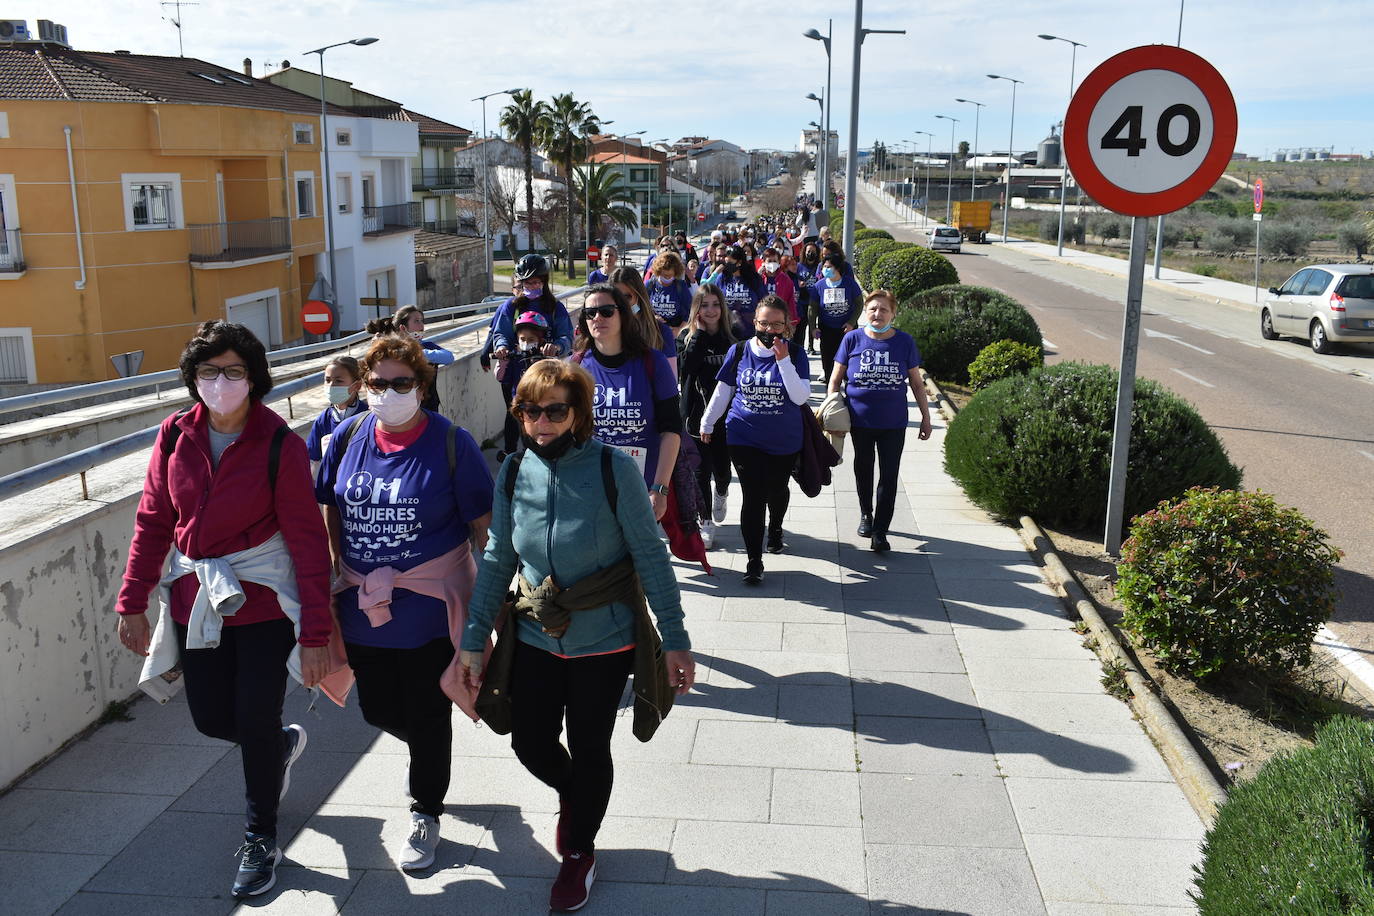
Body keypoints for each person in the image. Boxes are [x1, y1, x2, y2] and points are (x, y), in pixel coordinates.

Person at [457, 359, 695, 913]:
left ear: (578, 413)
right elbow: (496, 559)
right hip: (537, 634)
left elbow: (650, 559)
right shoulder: (514, 472)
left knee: (592, 745)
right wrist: (473, 641)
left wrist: (676, 640)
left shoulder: (614, 469)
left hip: (605, 640)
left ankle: (580, 852)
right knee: (529, 740)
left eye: (555, 410)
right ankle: (576, 795)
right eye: (529, 410)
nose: (541, 422)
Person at [115, 320, 332, 900]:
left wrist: (315, 633)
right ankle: (277, 748)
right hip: (195, 602)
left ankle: (261, 836)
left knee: (254, 715)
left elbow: (309, 540)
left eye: (234, 371)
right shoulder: (172, 435)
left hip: (261, 605)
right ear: (192, 379)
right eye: (209, 371)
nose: (221, 382)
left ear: (254, 378)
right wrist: (132, 601)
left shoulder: (280, 443)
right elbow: (153, 521)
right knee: (211, 717)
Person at [316, 333, 494, 871]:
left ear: (422, 384)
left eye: (402, 383)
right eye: (378, 382)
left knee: (424, 708)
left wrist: (499, 595)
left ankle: (426, 809)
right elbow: (330, 505)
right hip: (362, 609)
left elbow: (484, 527)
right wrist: (332, 568)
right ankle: (430, 741)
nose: (389, 392)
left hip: (430, 611)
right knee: (379, 709)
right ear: (364, 385)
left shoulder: (450, 442)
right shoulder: (347, 437)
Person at [700, 295, 811, 584]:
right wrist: (708, 422)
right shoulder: (738, 352)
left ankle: (775, 527)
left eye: (777, 324)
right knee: (753, 495)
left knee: (776, 489)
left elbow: (800, 396)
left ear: (787, 325)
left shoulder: (796, 354)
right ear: (754, 323)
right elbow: (723, 390)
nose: (769, 330)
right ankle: (754, 560)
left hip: (783, 438)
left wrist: (783, 361)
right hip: (743, 435)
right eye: (764, 323)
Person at [827, 290, 933, 551]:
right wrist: (832, 409)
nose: (878, 314)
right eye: (873, 309)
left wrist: (926, 418)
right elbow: (835, 380)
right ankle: (866, 514)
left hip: (893, 422)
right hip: (860, 421)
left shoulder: (904, 342)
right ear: (865, 310)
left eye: (884, 310)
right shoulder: (852, 340)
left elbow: (917, 385)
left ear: (893, 313)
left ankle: (881, 531)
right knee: (863, 468)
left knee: (889, 474)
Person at [574, 284, 681, 506]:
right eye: (590, 313)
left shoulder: (654, 362)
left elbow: (671, 429)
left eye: (606, 311)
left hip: (642, 487)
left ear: (622, 314)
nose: (597, 318)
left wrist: (660, 489)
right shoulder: (576, 367)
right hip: (590, 486)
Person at [677, 283, 736, 548]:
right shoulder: (685, 338)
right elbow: (686, 369)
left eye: (714, 304)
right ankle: (705, 521)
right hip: (694, 416)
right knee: (700, 471)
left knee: (722, 470)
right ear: (696, 309)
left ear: (721, 307)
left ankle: (722, 490)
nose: (710, 310)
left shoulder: (733, 338)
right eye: (704, 305)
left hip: (725, 417)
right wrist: (698, 335)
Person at [368, 305, 455, 412]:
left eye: (422, 321)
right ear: (403, 328)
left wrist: (414, 353)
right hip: (398, 409)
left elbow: (449, 357)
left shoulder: (427, 346)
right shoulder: (390, 350)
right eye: (417, 321)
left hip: (428, 408)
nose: (421, 325)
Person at [307, 355, 367, 479]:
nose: (331, 386)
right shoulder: (323, 420)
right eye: (327, 380)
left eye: (339, 381)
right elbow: (313, 460)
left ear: (357, 385)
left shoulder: (368, 417)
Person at [610, 267, 678, 375]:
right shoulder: (605, 331)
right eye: (616, 297)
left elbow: (671, 381)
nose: (621, 303)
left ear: (639, 296)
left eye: (627, 297)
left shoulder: (661, 332)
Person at [813, 250, 864, 382]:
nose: (826, 269)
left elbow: (859, 304)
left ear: (837, 268)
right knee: (828, 359)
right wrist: (813, 327)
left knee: (849, 358)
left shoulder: (850, 284)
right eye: (824, 267)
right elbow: (812, 309)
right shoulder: (819, 286)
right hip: (827, 328)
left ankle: (849, 386)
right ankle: (831, 388)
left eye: (829, 267)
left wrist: (852, 323)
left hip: (846, 329)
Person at [704, 245, 765, 339]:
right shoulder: (722, 279)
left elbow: (764, 301)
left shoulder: (754, 279)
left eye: (730, 262)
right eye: (726, 262)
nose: (727, 265)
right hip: (727, 331)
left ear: (739, 262)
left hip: (751, 331)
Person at [646, 251, 694, 329]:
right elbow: (638, 306)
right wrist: (652, 317)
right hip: (654, 329)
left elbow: (691, 310)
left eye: (670, 275)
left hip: (675, 330)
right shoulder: (650, 285)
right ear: (658, 272)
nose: (667, 278)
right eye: (665, 275)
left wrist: (679, 330)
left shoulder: (681, 286)